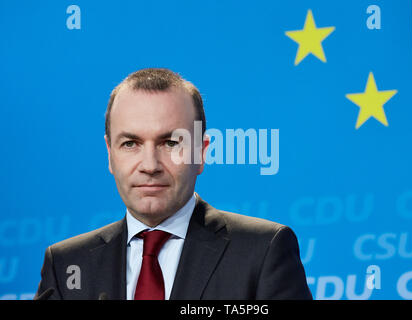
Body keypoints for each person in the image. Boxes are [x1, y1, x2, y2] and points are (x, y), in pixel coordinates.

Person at [34, 68, 312, 300]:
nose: (150, 165)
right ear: (110, 154)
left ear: (201, 152)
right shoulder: (66, 264)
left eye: (170, 143)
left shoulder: (262, 252)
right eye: (130, 143)